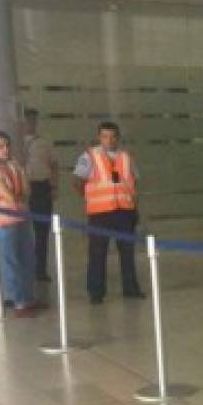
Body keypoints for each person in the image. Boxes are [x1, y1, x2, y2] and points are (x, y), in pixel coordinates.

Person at [72, 122, 145, 304]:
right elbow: (77, 181)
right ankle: (96, 293)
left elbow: (133, 183)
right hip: (100, 212)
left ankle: (131, 289)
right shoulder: (89, 156)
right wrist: (88, 197)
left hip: (124, 211)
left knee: (127, 253)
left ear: (118, 138)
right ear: (99, 137)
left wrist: (135, 207)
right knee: (97, 254)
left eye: (113, 136)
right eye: (105, 136)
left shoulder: (126, 157)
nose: (109, 140)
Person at [0, 131, 44, 318]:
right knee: (11, 262)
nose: (5, 149)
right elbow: (8, 196)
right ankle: (19, 301)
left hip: (22, 218)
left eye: (7, 145)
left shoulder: (13, 167)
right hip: (4, 223)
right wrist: (18, 196)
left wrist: (21, 172)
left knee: (28, 260)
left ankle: (29, 298)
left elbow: (26, 191)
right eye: (0, 146)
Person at [22, 108, 60, 282]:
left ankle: (40, 270)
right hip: (23, 189)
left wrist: (54, 186)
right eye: (28, 120)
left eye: (33, 120)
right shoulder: (14, 142)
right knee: (23, 230)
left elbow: (54, 165)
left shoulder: (44, 142)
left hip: (41, 187)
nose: (31, 124)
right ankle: (26, 269)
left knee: (42, 231)